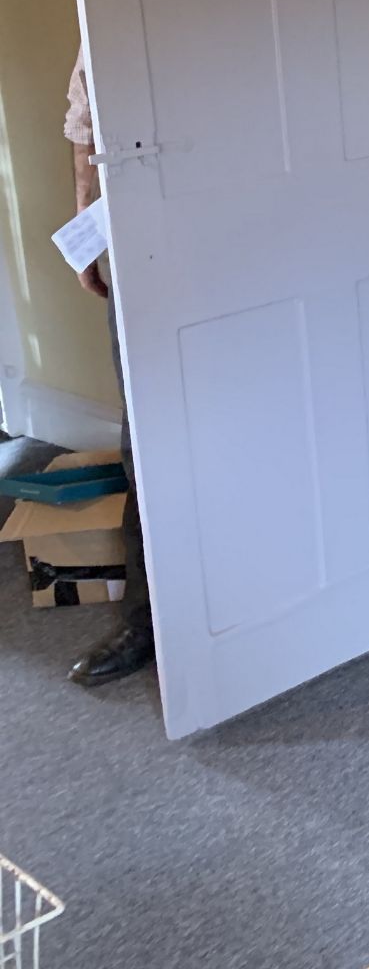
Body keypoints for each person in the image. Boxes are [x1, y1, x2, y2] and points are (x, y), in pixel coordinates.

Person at [63, 48, 154, 685]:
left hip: (243, 244)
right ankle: (148, 620)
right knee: (143, 442)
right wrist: (87, 232)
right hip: (139, 240)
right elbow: (87, 124)